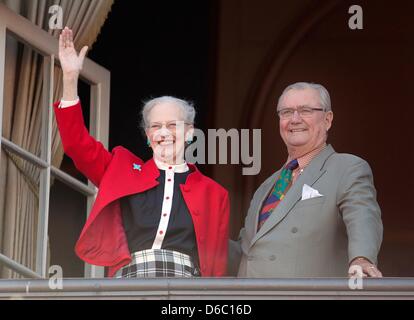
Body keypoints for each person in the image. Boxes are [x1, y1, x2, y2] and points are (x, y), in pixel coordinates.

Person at [54, 27, 229, 278]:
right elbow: (76, 145)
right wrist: (70, 80)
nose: (163, 132)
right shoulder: (121, 169)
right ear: (148, 136)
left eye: (172, 125)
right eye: (156, 126)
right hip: (130, 283)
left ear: (190, 132)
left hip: (187, 288)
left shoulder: (214, 193)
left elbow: (217, 264)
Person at [231, 82, 383, 278]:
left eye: (305, 110)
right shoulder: (266, 187)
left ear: (327, 119)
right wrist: (189, 232)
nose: (295, 119)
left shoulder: (346, 168)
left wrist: (362, 258)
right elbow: (245, 253)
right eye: (286, 112)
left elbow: (362, 216)